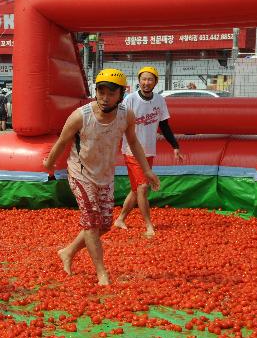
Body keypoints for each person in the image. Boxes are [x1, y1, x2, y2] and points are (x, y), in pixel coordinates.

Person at [43, 69, 159, 286]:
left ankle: (67, 252)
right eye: (101, 91)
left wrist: (147, 170)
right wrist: (49, 164)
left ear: (121, 94)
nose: (105, 97)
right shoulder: (81, 116)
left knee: (104, 225)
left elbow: (133, 142)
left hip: (105, 175)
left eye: (111, 93)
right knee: (91, 223)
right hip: (81, 173)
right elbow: (62, 141)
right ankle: (101, 273)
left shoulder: (126, 115)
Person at [114, 66, 184, 237]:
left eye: (150, 79)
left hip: (148, 151)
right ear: (139, 80)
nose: (146, 83)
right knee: (143, 187)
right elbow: (118, 122)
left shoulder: (160, 100)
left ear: (155, 82)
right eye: (143, 79)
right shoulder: (130, 99)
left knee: (135, 189)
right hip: (131, 150)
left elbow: (164, 126)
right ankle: (148, 226)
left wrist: (175, 146)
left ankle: (120, 219)